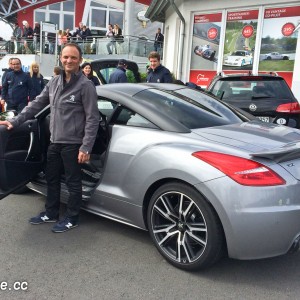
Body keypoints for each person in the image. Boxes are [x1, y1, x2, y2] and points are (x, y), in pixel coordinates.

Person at [0, 43, 99, 233]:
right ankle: (51, 212)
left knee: (73, 181)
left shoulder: (85, 86)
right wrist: (17, 121)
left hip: (73, 144)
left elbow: (93, 119)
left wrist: (86, 147)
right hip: (55, 141)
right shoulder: (54, 82)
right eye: (65, 57)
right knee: (52, 178)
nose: (69, 61)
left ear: (79, 60)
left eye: (73, 58)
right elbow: (36, 104)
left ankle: (72, 217)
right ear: (60, 58)